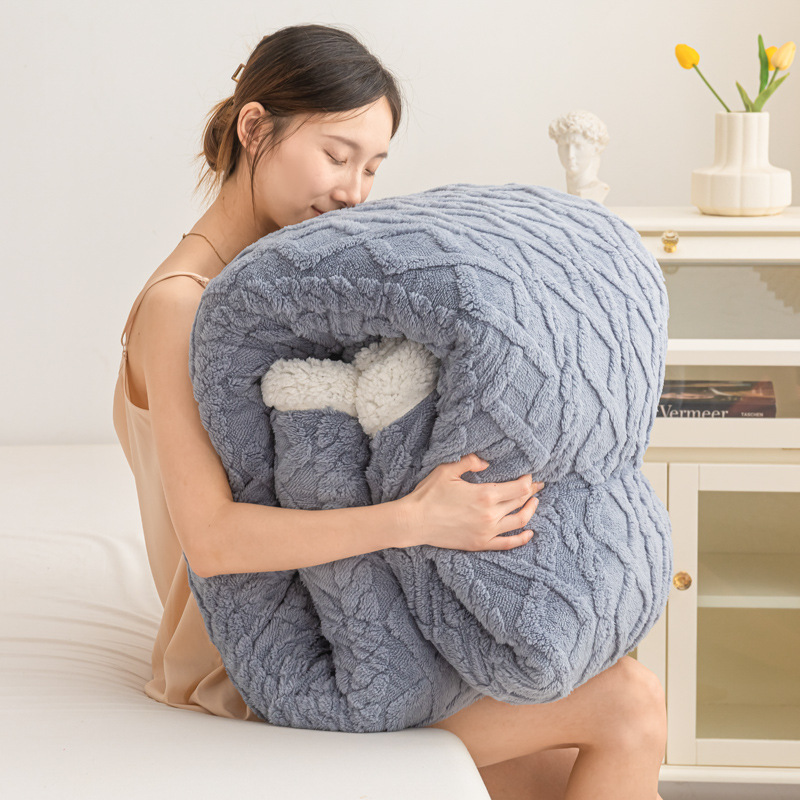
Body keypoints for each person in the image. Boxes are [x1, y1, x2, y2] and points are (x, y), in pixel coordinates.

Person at [112, 23, 666, 800]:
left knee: (593, 733)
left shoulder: (292, 290)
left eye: (372, 166)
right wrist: (418, 520)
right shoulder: (183, 305)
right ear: (254, 129)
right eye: (336, 155)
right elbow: (212, 540)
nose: (353, 191)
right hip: (248, 663)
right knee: (629, 706)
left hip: (345, 614)